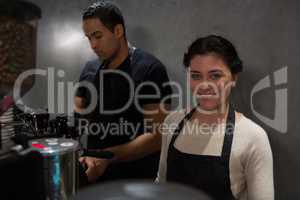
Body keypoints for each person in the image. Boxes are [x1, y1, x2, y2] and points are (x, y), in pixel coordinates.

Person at [156, 35, 274, 200]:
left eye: (215, 76)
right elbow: (161, 185)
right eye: (196, 76)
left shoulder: (253, 137)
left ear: (233, 77)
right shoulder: (172, 122)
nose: (205, 85)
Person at [75, 1, 172, 183]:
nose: (93, 45)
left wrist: (107, 156)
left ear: (118, 31)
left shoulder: (150, 70)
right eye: (89, 38)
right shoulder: (89, 70)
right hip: (93, 177)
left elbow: (157, 137)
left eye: (97, 36)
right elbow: (80, 119)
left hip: (137, 181)